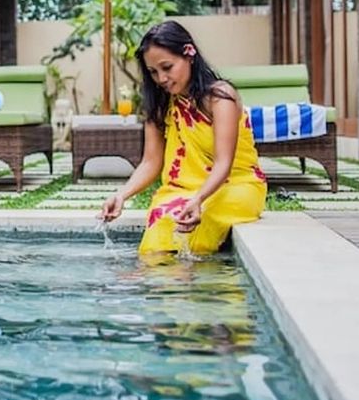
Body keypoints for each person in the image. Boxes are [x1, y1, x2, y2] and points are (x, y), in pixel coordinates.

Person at [99, 20, 266, 257]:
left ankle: (190, 287)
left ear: (189, 55)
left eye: (167, 67)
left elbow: (223, 164)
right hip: (181, 189)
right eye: (153, 72)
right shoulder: (160, 105)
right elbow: (150, 162)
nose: (161, 78)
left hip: (236, 186)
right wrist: (121, 195)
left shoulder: (220, 97)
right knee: (161, 222)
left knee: (199, 222)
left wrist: (198, 199)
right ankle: (168, 288)